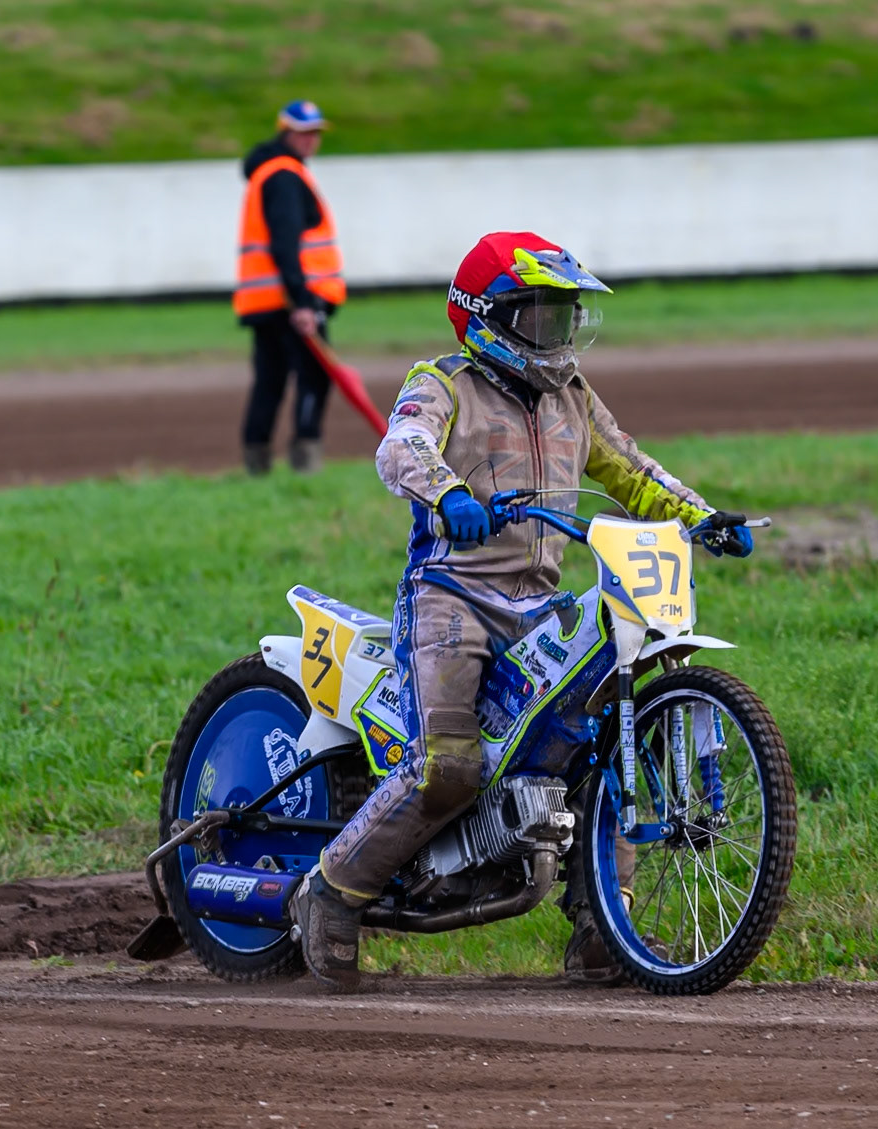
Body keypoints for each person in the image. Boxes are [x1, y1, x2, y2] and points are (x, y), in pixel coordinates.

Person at [290, 232, 753, 991]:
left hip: (540, 606)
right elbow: (401, 446)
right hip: (452, 596)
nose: (556, 333)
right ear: (487, 316)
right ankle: (332, 894)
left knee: (603, 742)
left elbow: (633, 471)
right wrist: (449, 494)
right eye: (539, 315)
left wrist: (702, 517)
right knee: (448, 765)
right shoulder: (444, 382)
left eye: (564, 316)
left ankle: (603, 923)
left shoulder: (573, 396)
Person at [233, 100, 345, 475]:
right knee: (315, 377)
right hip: (291, 301)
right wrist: (302, 302)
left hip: (265, 301)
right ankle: (306, 461)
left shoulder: (267, 172)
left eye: (315, 132)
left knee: (270, 382)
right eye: (303, 132)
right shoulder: (284, 175)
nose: (311, 139)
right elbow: (285, 243)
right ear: (285, 132)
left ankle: (256, 464)